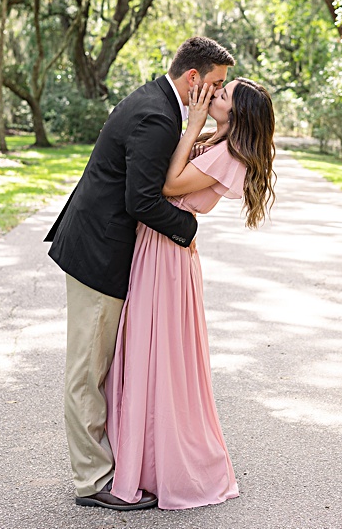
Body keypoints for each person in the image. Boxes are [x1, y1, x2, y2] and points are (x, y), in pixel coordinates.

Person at [45, 36, 235, 511]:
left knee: (101, 366)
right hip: (99, 252)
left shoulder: (161, 104)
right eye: (215, 85)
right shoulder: (156, 115)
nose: (215, 94)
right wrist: (188, 228)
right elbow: (144, 200)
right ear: (193, 78)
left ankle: (122, 462)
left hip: (109, 248)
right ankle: (93, 481)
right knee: (88, 371)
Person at [105, 75, 277, 510]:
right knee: (145, 351)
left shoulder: (228, 155)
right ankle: (145, 460)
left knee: (157, 356)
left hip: (166, 254)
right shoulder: (217, 141)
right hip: (160, 246)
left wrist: (192, 121)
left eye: (222, 95)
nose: (212, 95)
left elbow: (167, 185)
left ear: (235, 114)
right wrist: (199, 126)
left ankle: (167, 466)